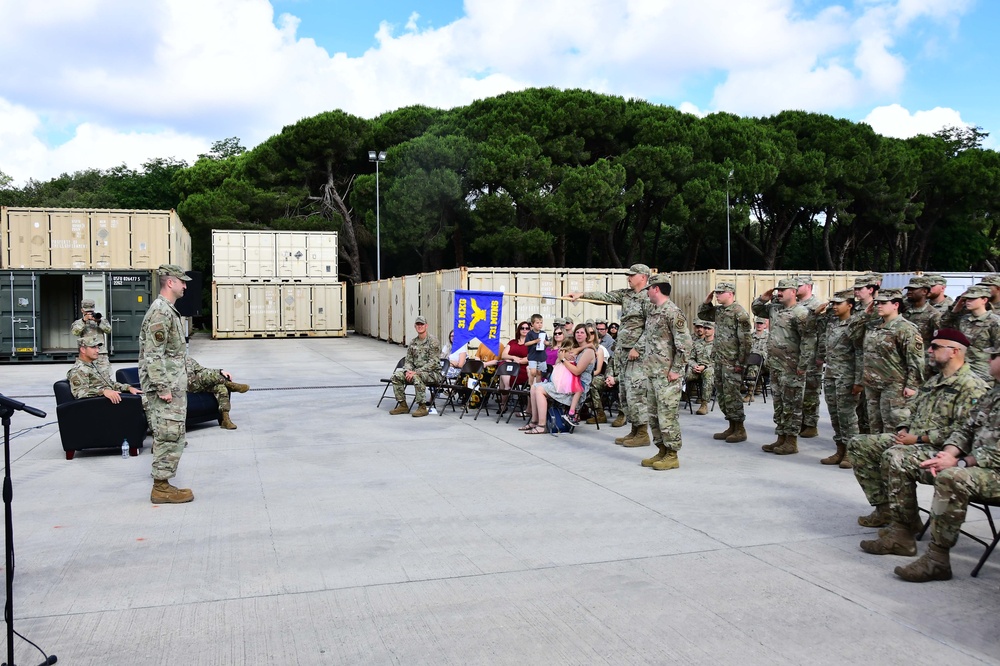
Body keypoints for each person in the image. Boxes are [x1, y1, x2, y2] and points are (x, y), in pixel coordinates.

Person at [867, 344, 1000, 582]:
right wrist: (947, 455)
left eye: (994, 356)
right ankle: (902, 532)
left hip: (993, 471)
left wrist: (960, 463)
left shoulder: (977, 386)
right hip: (977, 465)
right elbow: (966, 428)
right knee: (897, 457)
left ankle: (937, 559)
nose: (988, 360)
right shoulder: (994, 393)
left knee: (952, 477)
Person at [847, 328, 988, 528]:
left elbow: (966, 431)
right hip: (914, 441)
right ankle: (885, 509)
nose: (929, 351)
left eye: (935, 347)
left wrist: (921, 439)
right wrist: (904, 428)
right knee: (859, 444)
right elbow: (911, 409)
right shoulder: (934, 381)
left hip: (943, 450)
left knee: (895, 455)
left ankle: (904, 525)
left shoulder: (972, 386)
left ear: (954, 351)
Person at [568, 264, 652, 447]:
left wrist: (638, 347)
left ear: (643, 277)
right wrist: (581, 295)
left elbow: (651, 327)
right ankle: (634, 430)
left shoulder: (650, 297)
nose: (628, 278)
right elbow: (605, 297)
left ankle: (643, 433)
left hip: (638, 354)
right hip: (624, 351)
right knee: (626, 392)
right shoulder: (627, 294)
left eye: (632, 275)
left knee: (637, 392)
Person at [139, 264, 193, 504]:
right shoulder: (161, 311)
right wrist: (163, 388)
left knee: (174, 434)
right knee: (168, 434)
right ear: (170, 282)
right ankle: (161, 488)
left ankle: (164, 483)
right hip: (166, 388)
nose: (185, 286)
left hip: (173, 385)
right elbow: (153, 354)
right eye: (182, 281)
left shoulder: (168, 310)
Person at [752, 278, 816, 456]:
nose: (779, 293)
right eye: (778, 290)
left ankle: (791, 441)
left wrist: (803, 365)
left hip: (792, 367)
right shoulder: (774, 309)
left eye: (783, 290)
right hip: (775, 366)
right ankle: (781, 436)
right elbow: (756, 309)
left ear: (793, 292)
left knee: (792, 404)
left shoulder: (801, 313)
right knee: (779, 403)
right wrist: (763, 298)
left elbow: (808, 341)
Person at [638, 274, 692, 470]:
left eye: (649, 289)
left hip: (667, 375)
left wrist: (677, 370)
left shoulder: (673, 313)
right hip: (653, 372)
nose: (647, 293)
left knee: (667, 415)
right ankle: (661, 449)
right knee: (653, 415)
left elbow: (685, 344)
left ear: (656, 289)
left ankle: (672, 454)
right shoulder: (654, 311)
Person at [860, 288, 924, 433]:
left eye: (883, 303)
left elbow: (916, 360)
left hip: (894, 386)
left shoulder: (906, 329)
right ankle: (875, 455)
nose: (879, 306)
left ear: (896, 305)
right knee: (874, 427)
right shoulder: (872, 325)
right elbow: (851, 335)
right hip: (872, 384)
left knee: (893, 427)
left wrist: (912, 385)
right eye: (877, 303)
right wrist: (864, 315)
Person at [698, 280, 752, 442]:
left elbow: (746, 341)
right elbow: (702, 315)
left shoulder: (739, 313)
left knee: (732, 395)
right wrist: (707, 302)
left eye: (720, 293)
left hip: (733, 361)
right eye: (716, 293)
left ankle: (740, 429)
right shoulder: (720, 311)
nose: (717, 296)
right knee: (722, 394)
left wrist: (741, 363)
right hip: (720, 359)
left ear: (730, 294)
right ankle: (731, 425)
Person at [522, 324, 596, 434]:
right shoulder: (574, 347)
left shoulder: (588, 352)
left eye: (582, 332)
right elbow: (559, 360)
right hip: (566, 380)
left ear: (587, 335)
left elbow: (577, 371)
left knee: (539, 389)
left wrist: (563, 360)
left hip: (577, 386)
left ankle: (542, 426)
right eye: (577, 332)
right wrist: (561, 358)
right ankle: (534, 421)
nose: (579, 334)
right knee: (534, 387)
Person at [815, 289, 859, 467]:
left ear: (850, 305)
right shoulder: (831, 322)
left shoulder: (855, 324)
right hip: (832, 374)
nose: (833, 306)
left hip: (847, 376)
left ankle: (852, 453)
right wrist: (818, 311)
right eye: (832, 303)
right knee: (834, 414)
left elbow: (861, 353)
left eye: (838, 303)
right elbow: (813, 324)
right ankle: (840, 449)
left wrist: (859, 380)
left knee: (847, 415)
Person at [940, 284, 1000, 385]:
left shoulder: (994, 322)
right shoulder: (964, 319)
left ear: (984, 300)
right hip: (961, 370)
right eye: (967, 299)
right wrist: (957, 307)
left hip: (983, 375)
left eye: (972, 299)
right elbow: (944, 326)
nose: (968, 301)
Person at [388, 316, 442, 417]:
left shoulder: (433, 341)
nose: (420, 326)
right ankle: (403, 405)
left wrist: (416, 372)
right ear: (415, 326)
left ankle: (422, 407)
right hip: (415, 372)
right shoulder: (413, 342)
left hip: (432, 373)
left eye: (422, 324)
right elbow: (408, 360)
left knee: (417, 377)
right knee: (396, 376)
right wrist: (408, 371)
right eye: (418, 324)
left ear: (426, 326)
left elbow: (433, 362)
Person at [67, 332, 141, 402]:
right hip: (102, 404)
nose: (97, 351)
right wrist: (103, 392)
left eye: (98, 347)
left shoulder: (93, 365)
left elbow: (109, 383)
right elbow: (79, 393)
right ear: (83, 349)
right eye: (93, 347)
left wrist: (128, 388)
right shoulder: (78, 370)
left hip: (112, 399)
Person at [184, 356, 250, 429]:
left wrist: (220, 371)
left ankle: (225, 419)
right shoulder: (172, 361)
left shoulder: (187, 359)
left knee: (220, 387)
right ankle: (230, 385)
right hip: (186, 386)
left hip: (198, 385)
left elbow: (202, 369)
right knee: (202, 376)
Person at [795, 276, 824, 439]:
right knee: (799, 391)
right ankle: (800, 421)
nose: (796, 288)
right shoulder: (796, 305)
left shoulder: (816, 306)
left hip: (812, 355)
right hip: (797, 354)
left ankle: (811, 424)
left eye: (799, 286)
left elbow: (822, 332)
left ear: (808, 286)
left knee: (811, 390)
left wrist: (820, 355)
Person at [71, 298, 113, 375]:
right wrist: (84, 321)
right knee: (86, 375)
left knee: (105, 376)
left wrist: (99, 322)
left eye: (91, 311)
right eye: (87, 311)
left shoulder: (101, 320)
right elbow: (75, 332)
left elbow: (108, 330)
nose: (89, 313)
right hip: (86, 354)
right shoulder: (78, 322)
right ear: (82, 310)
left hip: (100, 354)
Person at [902, 276, 941, 349]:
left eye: (913, 289)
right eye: (909, 289)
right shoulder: (904, 310)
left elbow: (939, 339)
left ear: (924, 291)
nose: (909, 292)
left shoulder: (933, 314)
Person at [685, 321, 714, 415]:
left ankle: (704, 404)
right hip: (697, 368)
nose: (706, 330)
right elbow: (691, 358)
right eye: (705, 328)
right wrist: (694, 366)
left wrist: (704, 366)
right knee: (684, 372)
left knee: (708, 373)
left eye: (709, 328)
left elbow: (719, 361)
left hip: (710, 368)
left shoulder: (718, 345)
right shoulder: (697, 343)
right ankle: (676, 398)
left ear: (714, 330)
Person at [744, 317, 769, 402]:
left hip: (764, 364)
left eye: (761, 323)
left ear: (765, 325)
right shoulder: (750, 337)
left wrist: (758, 354)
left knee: (753, 367)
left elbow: (770, 352)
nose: (759, 325)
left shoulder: (768, 337)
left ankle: (750, 393)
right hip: (749, 362)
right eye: (757, 323)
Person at [524, 314, 547, 386]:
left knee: (539, 372)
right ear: (532, 324)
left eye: (541, 323)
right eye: (537, 323)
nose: (540, 325)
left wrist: (547, 343)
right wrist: (535, 341)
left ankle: (538, 385)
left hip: (541, 356)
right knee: (533, 372)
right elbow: (526, 344)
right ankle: (530, 385)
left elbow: (547, 342)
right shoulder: (530, 334)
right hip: (533, 356)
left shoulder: (543, 333)